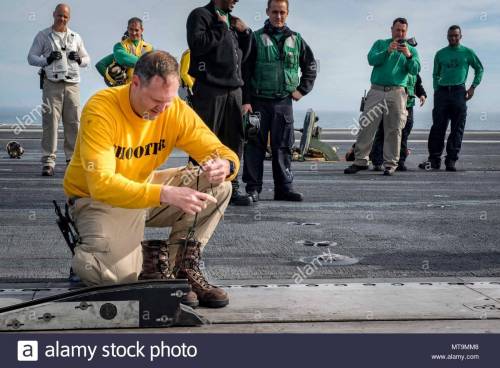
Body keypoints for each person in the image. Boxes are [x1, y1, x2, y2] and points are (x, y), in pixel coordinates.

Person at [63, 51, 239, 308]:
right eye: (156, 100)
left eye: (169, 100)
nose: (163, 109)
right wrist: (164, 194)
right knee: (113, 279)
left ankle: (180, 268)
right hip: (99, 199)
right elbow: (101, 184)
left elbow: (220, 151)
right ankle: (95, 254)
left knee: (219, 186)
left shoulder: (173, 108)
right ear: (135, 83)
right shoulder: (101, 108)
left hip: (144, 189)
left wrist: (225, 165)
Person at [241, 0, 317, 202]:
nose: (278, 16)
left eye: (282, 12)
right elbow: (244, 71)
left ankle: (283, 188)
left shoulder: (297, 39)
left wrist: (302, 89)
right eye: (274, 12)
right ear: (267, 12)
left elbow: (310, 65)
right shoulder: (255, 38)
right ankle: (253, 189)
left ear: (288, 13)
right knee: (254, 145)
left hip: (284, 102)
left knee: (283, 145)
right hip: (257, 102)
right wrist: (246, 100)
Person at [186, 0, 253, 206]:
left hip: (234, 90)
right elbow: (197, 46)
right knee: (203, 139)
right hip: (209, 89)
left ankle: (231, 187)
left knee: (234, 140)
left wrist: (246, 34)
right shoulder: (200, 15)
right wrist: (221, 27)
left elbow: (244, 57)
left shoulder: (232, 22)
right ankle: (196, 188)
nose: (237, 0)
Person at [344, 17, 420, 176]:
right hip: (376, 90)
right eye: (397, 29)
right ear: (391, 29)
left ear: (406, 32)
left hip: (398, 91)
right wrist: (387, 51)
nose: (400, 33)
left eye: (403, 31)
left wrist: (408, 55)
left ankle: (390, 165)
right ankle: (360, 161)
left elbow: (415, 70)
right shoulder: (380, 43)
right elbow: (371, 59)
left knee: (394, 129)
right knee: (367, 125)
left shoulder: (411, 50)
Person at [27, 3, 90, 176]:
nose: (62, 19)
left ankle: (72, 160)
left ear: (69, 18)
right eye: (59, 15)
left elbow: (87, 59)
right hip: (52, 85)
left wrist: (79, 59)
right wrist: (46, 60)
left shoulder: (76, 37)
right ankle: (48, 162)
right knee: (50, 123)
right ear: (54, 15)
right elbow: (31, 57)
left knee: (74, 123)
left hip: (72, 85)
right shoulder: (43, 36)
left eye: (65, 16)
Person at [419, 25, 484, 172]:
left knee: (457, 128)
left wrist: (473, 87)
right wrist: (436, 89)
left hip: (459, 92)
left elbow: (479, 68)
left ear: (461, 36)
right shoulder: (440, 54)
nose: (453, 38)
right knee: (437, 127)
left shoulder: (467, 52)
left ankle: (451, 161)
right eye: (450, 36)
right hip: (442, 92)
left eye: (456, 35)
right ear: (447, 36)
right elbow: (435, 74)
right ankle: (434, 161)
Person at [370, 74, 427, 171]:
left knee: (403, 133)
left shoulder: (414, 71)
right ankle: (377, 162)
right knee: (383, 132)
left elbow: (417, 85)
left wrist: (422, 95)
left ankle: (400, 161)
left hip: (408, 106)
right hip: (391, 106)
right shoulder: (396, 68)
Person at [95, 18, 153, 87]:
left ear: (142, 30)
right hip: (125, 89)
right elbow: (100, 64)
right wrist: (110, 80)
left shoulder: (149, 48)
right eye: (131, 30)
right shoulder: (120, 46)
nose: (133, 33)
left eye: (136, 30)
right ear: (128, 29)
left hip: (143, 89)